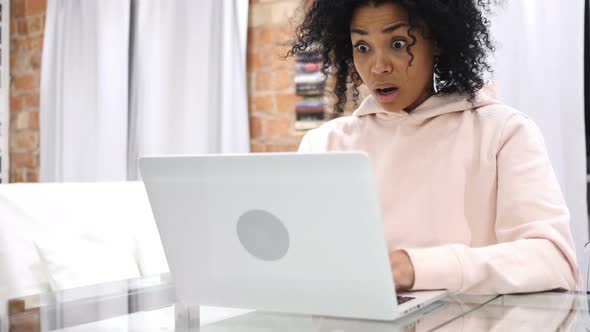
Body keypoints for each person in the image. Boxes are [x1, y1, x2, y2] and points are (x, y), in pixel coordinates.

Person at [290, 0, 578, 294]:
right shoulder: (325, 144)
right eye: (362, 47)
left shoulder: (503, 132)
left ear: (437, 41)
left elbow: (553, 262)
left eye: (399, 43)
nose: (378, 67)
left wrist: (417, 269)